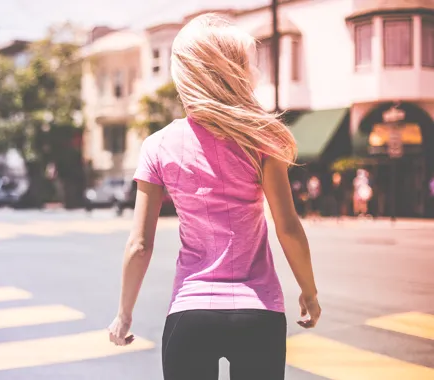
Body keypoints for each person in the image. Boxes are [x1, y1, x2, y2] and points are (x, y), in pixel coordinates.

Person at [107, 14, 321, 380]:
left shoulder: (158, 146)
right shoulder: (262, 138)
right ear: (238, 69)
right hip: (259, 313)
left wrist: (124, 313)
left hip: (191, 315)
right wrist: (309, 291)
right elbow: (288, 227)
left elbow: (139, 245)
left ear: (184, 74)